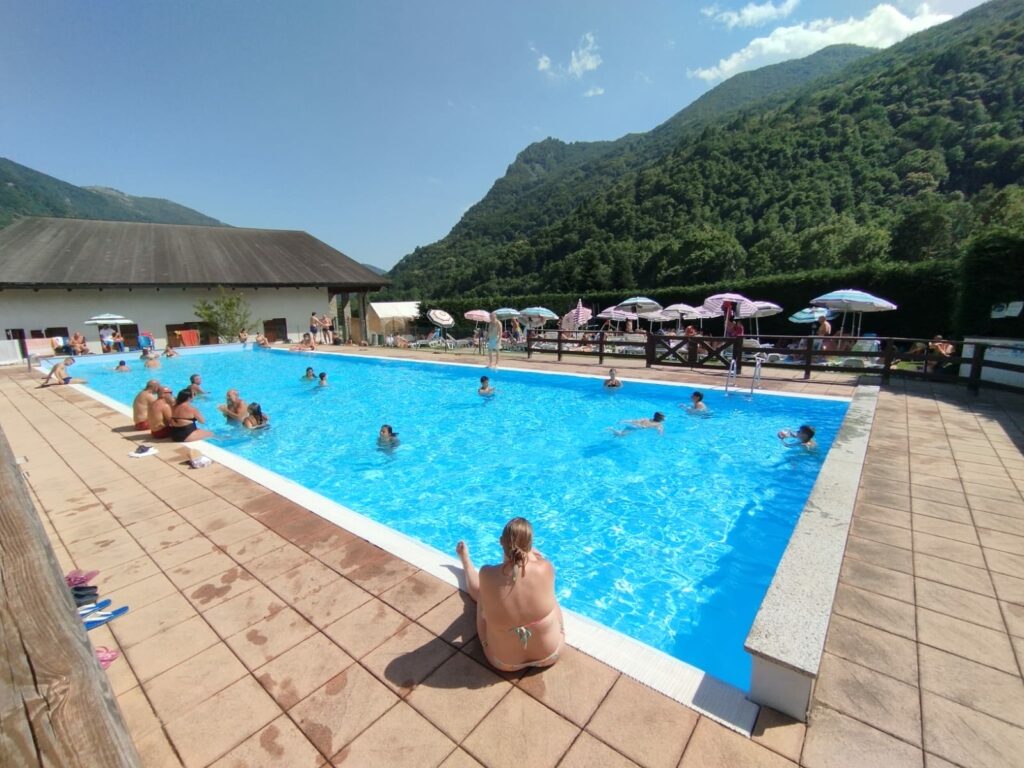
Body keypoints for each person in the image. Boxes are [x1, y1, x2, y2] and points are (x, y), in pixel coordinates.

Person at [455, 518, 564, 672]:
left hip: (503, 662)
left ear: (501, 542)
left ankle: (466, 562)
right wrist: (530, 555)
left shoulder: (487, 574)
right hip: (551, 654)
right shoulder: (545, 567)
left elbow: (508, 571)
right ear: (530, 544)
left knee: (482, 596)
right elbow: (522, 567)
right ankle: (562, 629)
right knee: (548, 592)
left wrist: (484, 642)